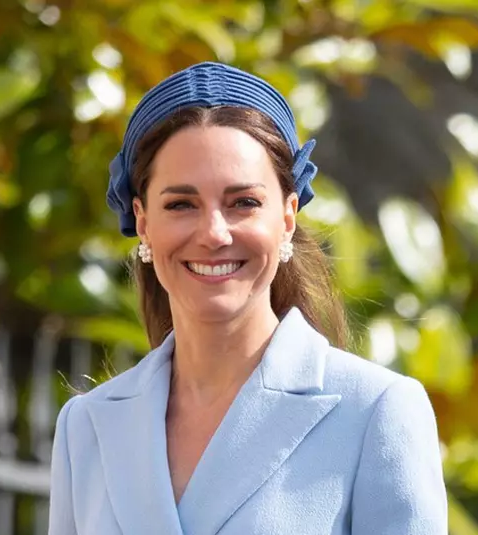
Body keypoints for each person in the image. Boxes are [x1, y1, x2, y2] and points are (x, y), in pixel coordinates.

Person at [48, 62, 447, 535]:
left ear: (288, 217)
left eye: (243, 203)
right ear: (143, 221)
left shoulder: (377, 411)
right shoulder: (87, 427)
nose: (214, 233)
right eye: (181, 204)